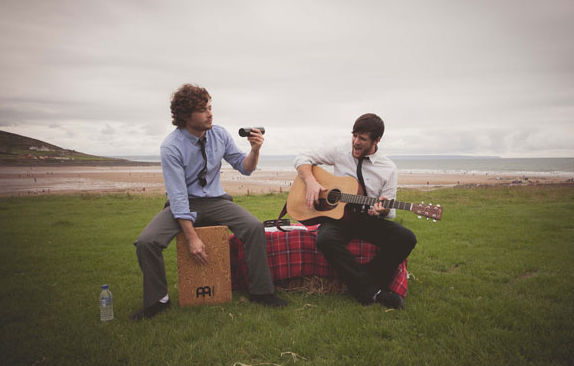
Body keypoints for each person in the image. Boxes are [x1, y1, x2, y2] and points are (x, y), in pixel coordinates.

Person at [131, 84, 286, 320]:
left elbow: (244, 168)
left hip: (215, 201)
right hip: (183, 204)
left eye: (210, 107)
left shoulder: (220, 134)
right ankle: (158, 301)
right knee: (146, 242)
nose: (210, 113)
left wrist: (254, 150)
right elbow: (178, 195)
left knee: (254, 227)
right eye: (203, 110)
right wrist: (192, 238)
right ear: (185, 116)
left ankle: (262, 293)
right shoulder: (171, 147)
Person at [293, 113, 417, 309]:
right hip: (337, 217)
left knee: (407, 238)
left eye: (362, 138)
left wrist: (382, 211)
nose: (356, 142)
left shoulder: (388, 169)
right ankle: (371, 291)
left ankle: (366, 280)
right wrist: (311, 183)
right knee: (325, 239)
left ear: (377, 140)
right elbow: (302, 157)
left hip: (367, 219)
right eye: (354, 136)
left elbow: (390, 211)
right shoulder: (340, 151)